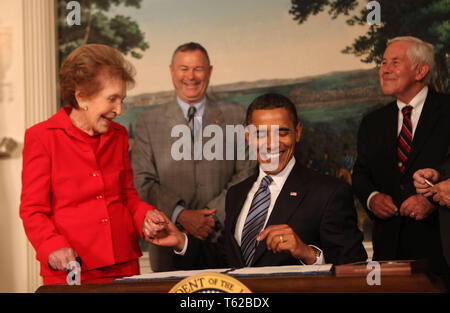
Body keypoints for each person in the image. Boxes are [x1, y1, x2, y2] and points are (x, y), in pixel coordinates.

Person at [147, 93, 367, 269]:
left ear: (297, 132)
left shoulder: (329, 192)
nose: (271, 144)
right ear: (247, 137)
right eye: (261, 134)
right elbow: (229, 261)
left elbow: (355, 265)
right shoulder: (237, 193)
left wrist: (308, 253)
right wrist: (181, 242)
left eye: (282, 132)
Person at [19, 44, 167, 285]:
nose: (119, 110)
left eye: (122, 99)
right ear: (81, 97)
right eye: (112, 99)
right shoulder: (42, 137)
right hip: (73, 268)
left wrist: (144, 215)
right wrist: (52, 246)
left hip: (124, 263)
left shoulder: (118, 135)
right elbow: (32, 210)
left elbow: (126, 194)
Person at [131, 42, 257, 271]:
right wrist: (181, 215)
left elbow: (247, 172)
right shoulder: (148, 122)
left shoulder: (236, 115)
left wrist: (212, 217)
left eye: (198, 69)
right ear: (172, 71)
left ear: (209, 71)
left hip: (224, 241)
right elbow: (142, 181)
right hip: (169, 245)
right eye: (183, 68)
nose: (191, 76)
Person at [352, 36, 450, 268]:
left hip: (441, 251)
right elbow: (360, 174)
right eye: (383, 63)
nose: (384, 70)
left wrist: (433, 201)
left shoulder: (447, 111)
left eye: (394, 62)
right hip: (389, 253)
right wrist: (372, 198)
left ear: (421, 70)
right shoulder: (372, 122)